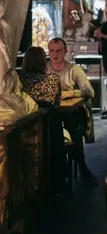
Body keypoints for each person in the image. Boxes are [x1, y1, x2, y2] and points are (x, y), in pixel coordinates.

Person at [47, 37, 97, 186]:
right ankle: (54, 173)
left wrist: (71, 93)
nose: (55, 54)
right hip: (51, 113)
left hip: (70, 113)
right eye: (51, 51)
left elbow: (89, 91)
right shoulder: (44, 68)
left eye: (58, 51)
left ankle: (82, 167)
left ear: (66, 51)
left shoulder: (74, 69)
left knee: (73, 126)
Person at [19, 46, 67, 192]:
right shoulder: (53, 79)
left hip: (24, 130)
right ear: (43, 61)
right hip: (50, 131)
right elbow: (57, 104)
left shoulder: (18, 80)